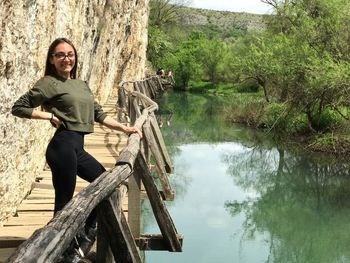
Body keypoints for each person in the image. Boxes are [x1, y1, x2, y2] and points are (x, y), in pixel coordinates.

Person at [11, 37, 142, 262]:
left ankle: (83, 236)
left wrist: (125, 128)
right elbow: (19, 107)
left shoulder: (81, 84)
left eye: (70, 54)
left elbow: (98, 113)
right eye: (60, 55)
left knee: (107, 185)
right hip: (62, 147)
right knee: (63, 204)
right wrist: (49, 115)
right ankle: (57, 252)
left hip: (77, 147)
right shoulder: (48, 83)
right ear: (52, 60)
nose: (66, 58)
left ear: (75, 57)